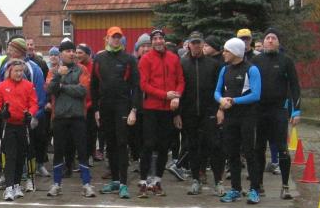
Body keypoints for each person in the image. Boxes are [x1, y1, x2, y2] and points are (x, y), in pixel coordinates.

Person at [252, 28, 301, 200]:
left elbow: (295, 86)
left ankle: (285, 186)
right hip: (259, 111)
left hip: (279, 110)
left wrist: (296, 111)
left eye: (274, 38)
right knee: (259, 149)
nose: (270, 40)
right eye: (268, 38)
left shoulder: (286, 61)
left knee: (282, 149)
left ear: (278, 42)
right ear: (263, 42)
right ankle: (258, 185)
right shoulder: (255, 60)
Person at [91, 26, 140, 199]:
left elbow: (136, 86)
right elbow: (94, 86)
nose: (116, 40)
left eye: (119, 37)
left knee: (122, 143)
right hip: (105, 107)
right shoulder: (99, 58)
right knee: (110, 144)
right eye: (113, 37)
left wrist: (134, 110)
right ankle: (115, 180)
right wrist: (96, 110)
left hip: (123, 107)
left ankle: (124, 183)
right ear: (107, 38)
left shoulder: (129, 59)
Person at [138, 29, 185, 198]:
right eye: (155, 39)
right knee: (148, 145)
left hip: (168, 110)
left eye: (161, 38)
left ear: (164, 40)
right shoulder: (146, 59)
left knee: (164, 146)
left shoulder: (174, 58)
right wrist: (165, 95)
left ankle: (157, 181)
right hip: (151, 108)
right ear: (152, 41)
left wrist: (176, 96)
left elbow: (181, 80)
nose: (158, 41)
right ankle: (143, 181)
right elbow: (144, 85)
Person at [46, 40, 96, 198]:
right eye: (68, 51)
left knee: (82, 150)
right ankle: (56, 184)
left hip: (78, 116)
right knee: (58, 151)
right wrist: (58, 76)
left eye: (73, 51)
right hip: (59, 117)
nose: (72, 54)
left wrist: (63, 87)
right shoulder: (53, 71)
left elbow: (83, 90)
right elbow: (50, 89)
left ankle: (86, 184)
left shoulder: (82, 69)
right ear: (60, 54)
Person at [215, 37, 262, 204]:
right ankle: (235, 189)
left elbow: (256, 94)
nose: (224, 53)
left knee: (249, 152)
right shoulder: (225, 69)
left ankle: (255, 189)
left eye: (227, 51)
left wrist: (234, 101)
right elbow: (217, 91)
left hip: (247, 117)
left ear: (235, 52)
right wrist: (221, 100)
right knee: (232, 153)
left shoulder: (252, 69)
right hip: (230, 117)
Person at [179, 32, 224, 197]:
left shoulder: (213, 64)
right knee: (193, 146)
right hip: (189, 112)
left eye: (199, 42)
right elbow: (179, 89)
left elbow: (220, 88)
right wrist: (177, 113)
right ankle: (196, 179)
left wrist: (220, 109)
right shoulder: (182, 63)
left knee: (214, 145)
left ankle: (218, 181)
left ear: (203, 44)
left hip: (209, 112)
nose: (196, 45)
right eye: (193, 43)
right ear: (189, 45)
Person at [0, 59, 38, 201]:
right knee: (10, 156)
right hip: (8, 125)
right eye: (16, 71)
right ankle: (9, 187)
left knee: (21, 156)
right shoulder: (2, 85)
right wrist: (1, 112)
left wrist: (30, 113)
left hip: (23, 125)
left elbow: (33, 103)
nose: (19, 73)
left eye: (21, 71)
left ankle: (17, 184)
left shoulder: (28, 85)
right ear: (9, 71)